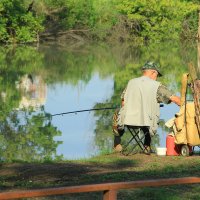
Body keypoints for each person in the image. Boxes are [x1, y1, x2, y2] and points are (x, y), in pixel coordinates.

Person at [114, 61, 181, 154]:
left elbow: (123, 102)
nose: (156, 78)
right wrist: (187, 105)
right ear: (154, 72)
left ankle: (117, 144)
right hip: (146, 123)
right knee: (149, 116)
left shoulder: (131, 82)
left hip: (127, 121)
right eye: (157, 75)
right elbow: (175, 99)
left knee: (117, 112)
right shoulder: (157, 86)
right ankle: (146, 145)